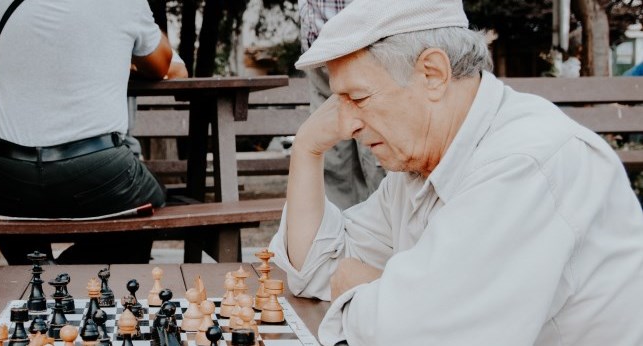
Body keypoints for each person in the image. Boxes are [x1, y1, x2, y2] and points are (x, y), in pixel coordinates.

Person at [267, 0, 643, 344]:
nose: (346, 124)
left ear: (432, 74)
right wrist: (306, 148)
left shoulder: (523, 163)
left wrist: (359, 286)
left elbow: (416, 336)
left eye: (358, 98)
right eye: (339, 102)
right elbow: (316, 270)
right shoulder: (419, 163)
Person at [0, 0, 172, 264]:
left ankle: (36, 274)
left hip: (4, 175)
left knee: (16, 208)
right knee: (148, 201)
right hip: (99, 171)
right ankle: (63, 277)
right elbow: (162, 64)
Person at [298, 0, 385, 210]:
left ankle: (391, 235)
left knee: (378, 154)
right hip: (318, 48)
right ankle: (339, 237)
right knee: (332, 157)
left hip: (365, 41)